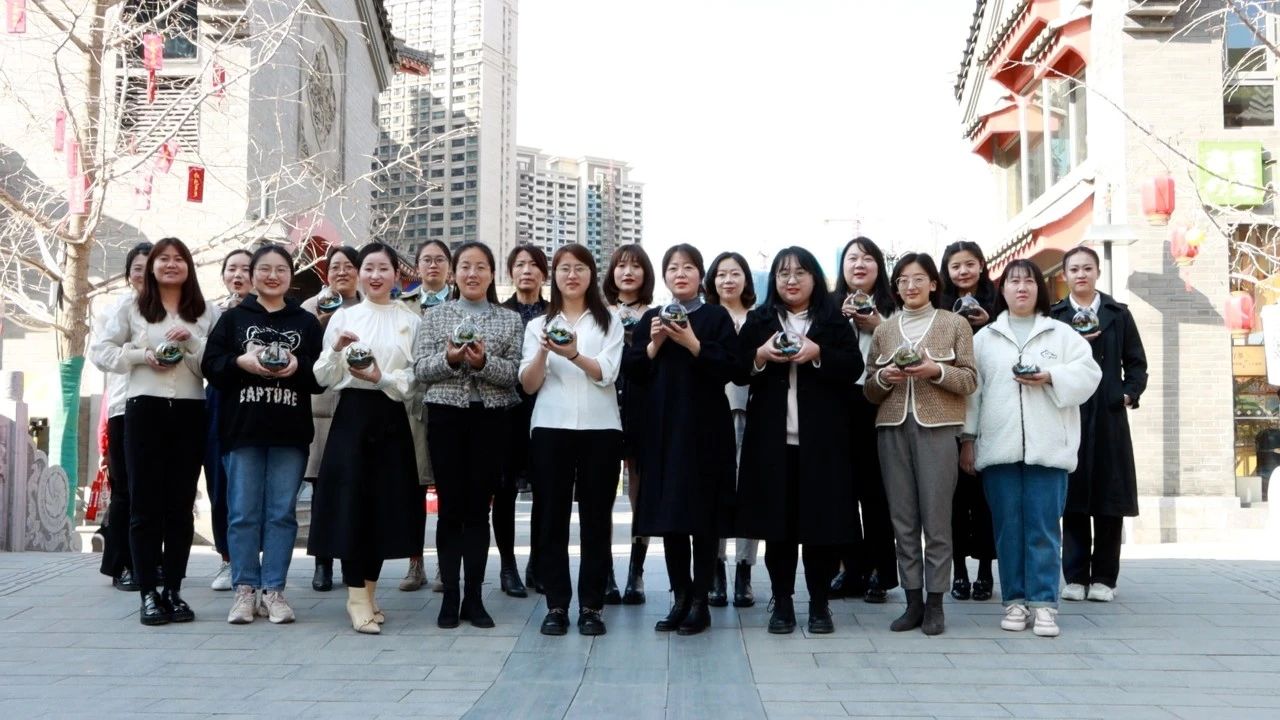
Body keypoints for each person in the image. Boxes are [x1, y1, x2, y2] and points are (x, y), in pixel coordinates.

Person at [961, 259, 1101, 637]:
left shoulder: (1061, 334)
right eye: (1013, 281)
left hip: (1048, 449)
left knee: (1043, 528)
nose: (1021, 288)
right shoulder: (984, 339)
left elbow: (1089, 374)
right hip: (999, 448)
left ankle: (1043, 604)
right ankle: (1015, 601)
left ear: (1040, 288)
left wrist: (1051, 376)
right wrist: (968, 440)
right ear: (1002, 290)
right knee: (1007, 529)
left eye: (1028, 281)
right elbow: (973, 395)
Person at [735, 247, 861, 634]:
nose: (791, 280)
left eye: (800, 273)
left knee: (821, 528)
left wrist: (818, 353)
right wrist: (761, 355)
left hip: (822, 443)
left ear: (814, 278)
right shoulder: (759, 320)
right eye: (783, 273)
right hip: (771, 442)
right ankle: (783, 602)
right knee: (779, 529)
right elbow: (737, 369)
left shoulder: (832, 320)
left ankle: (820, 604)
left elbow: (853, 366)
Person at [95, 237, 218, 625]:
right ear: (151, 267)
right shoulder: (132, 307)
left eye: (179, 258)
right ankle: (148, 592)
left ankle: (174, 591)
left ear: (189, 267)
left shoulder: (205, 311)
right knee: (144, 505)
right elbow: (101, 351)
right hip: (144, 409)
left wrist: (192, 341)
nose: (170, 264)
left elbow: (215, 364)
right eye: (163, 258)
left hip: (190, 411)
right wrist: (140, 356)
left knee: (180, 506)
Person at [308, 242, 426, 634]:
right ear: (359, 274)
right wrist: (336, 349)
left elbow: (414, 380)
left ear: (396, 275)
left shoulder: (410, 320)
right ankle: (356, 596)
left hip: (390, 417)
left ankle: (370, 593)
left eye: (383, 268)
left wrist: (381, 377)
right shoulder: (344, 316)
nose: (375, 276)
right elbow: (322, 376)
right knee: (350, 506)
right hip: (352, 418)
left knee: (382, 507)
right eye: (368, 268)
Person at [202, 245, 324, 624]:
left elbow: (321, 375)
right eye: (265, 269)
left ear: (291, 276)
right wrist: (240, 361)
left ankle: (273, 590)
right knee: (242, 513)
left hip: (290, 432)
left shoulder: (305, 322)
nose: (273, 276)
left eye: (281, 270)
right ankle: (244, 589)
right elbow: (211, 365)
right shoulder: (233, 319)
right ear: (253, 275)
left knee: (281, 514)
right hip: (242, 431)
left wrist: (297, 366)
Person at [623, 243, 738, 636]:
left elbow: (731, 366)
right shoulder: (652, 318)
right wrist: (655, 343)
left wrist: (691, 342)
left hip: (706, 431)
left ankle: (701, 602)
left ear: (700, 275)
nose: (681, 274)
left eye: (688, 267)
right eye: (673, 268)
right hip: (662, 430)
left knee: (702, 517)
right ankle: (680, 598)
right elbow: (634, 371)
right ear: (665, 277)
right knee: (670, 518)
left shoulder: (715, 316)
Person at [865, 252, 977, 636]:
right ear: (895, 288)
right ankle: (912, 601)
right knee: (903, 520)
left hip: (938, 429)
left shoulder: (955, 323)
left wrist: (936, 370)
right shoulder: (884, 330)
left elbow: (969, 380)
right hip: (892, 429)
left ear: (933, 283)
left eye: (918, 279)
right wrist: (884, 379)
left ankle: (936, 603)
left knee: (937, 519)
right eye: (902, 280)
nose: (910, 286)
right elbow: (869, 389)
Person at [413, 241, 523, 629]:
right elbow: (420, 370)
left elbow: (514, 375)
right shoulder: (434, 316)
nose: (472, 273)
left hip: (490, 420)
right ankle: (450, 597)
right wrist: (450, 358)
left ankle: (474, 598)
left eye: (480, 267)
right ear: (454, 273)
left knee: (479, 509)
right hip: (446, 418)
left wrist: (483, 362)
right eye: (465, 266)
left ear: (492, 274)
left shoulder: (510, 320)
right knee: (450, 509)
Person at [520, 244, 624, 636]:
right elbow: (529, 384)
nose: (572, 275)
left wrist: (575, 354)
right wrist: (544, 352)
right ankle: (557, 605)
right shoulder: (537, 326)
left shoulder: (610, 322)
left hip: (601, 429)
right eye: (564, 268)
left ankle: (592, 606)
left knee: (596, 519)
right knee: (551, 518)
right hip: (551, 427)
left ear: (592, 275)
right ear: (555, 276)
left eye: (580, 268)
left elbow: (607, 373)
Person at [1050, 246, 1147, 603]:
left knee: (1110, 495)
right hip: (1070, 410)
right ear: (1064, 275)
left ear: (1097, 272)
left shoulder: (1117, 314)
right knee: (1073, 496)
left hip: (1109, 414)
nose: (1081, 274)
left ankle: (1105, 578)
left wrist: (1127, 394)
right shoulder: (1055, 317)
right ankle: (1075, 577)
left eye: (1087, 268)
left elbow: (1136, 362)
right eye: (1074, 269)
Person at [830, 237, 899, 605]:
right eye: (852, 258)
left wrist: (878, 325)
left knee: (876, 492)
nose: (859, 264)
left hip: (877, 402)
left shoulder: (893, 307)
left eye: (867, 258)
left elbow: (908, 351)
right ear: (842, 267)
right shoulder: (828, 306)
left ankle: (880, 572)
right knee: (840, 492)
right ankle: (849, 569)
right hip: (837, 404)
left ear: (878, 267)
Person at [88, 241, 151, 592]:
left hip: (163, 409)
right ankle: (122, 564)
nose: (144, 274)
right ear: (128, 275)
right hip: (125, 408)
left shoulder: (175, 309)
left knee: (153, 490)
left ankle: (148, 561)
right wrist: (136, 354)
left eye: (150, 267)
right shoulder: (118, 308)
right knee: (125, 490)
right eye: (137, 268)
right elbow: (102, 354)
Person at [938, 241, 999, 603]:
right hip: (948, 408)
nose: (963, 271)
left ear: (981, 265)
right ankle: (958, 571)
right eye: (955, 266)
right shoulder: (939, 305)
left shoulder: (997, 302)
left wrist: (988, 324)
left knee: (986, 499)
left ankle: (986, 571)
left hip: (990, 409)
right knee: (954, 499)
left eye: (969, 264)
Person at [300, 245, 360, 592]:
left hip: (356, 405)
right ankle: (322, 563)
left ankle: (352, 558)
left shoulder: (368, 306)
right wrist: (320, 324)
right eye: (335, 266)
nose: (342, 272)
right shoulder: (311, 307)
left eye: (348, 266)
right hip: (322, 409)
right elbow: (302, 354)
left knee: (354, 488)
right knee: (322, 490)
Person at [703, 251, 760, 609]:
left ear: (746, 280)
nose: (728, 280)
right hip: (713, 411)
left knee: (750, 489)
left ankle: (744, 570)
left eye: (735, 273)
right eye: (721, 274)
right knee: (716, 488)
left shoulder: (760, 317)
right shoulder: (705, 317)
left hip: (755, 410)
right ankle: (716, 568)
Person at [603, 244, 656, 604]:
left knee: (640, 491)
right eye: (621, 266)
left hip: (643, 407)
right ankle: (605, 571)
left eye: (636, 266)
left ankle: (636, 571)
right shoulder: (598, 314)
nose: (628, 272)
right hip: (604, 405)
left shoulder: (657, 314)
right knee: (602, 492)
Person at [399, 240, 453, 594]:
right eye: (426, 260)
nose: (433, 265)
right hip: (412, 404)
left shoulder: (461, 303)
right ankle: (414, 562)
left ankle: (446, 566)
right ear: (417, 267)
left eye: (440, 260)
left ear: (449, 266)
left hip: (450, 402)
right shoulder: (402, 306)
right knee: (414, 487)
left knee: (449, 486)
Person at [498, 244, 549, 599]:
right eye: (520, 265)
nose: (526, 270)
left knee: (545, 490)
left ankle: (537, 562)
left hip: (545, 408)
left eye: (534, 265)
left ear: (544, 274)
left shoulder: (554, 314)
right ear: (510, 273)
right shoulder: (500, 313)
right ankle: (507, 566)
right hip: (505, 411)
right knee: (504, 491)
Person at [206, 248, 252, 592]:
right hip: (220, 400)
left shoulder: (271, 314)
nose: (238, 275)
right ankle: (227, 557)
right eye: (231, 268)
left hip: (256, 402)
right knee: (219, 482)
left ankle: (255, 559)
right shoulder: (210, 313)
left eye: (245, 269)